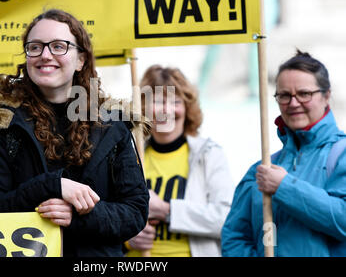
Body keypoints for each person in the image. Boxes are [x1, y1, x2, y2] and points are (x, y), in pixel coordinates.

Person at [0, 9, 149, 257]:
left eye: (58, 46)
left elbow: (135, 213)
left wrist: (78, 217)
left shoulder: (112, 125)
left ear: (81, 59)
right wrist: (51, 186)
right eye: (35, 47)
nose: (45, 55)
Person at [222, 50, 346, 257]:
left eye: (304, 94)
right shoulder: (260, 169)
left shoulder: (341, 155)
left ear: (326, 96)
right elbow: (234, 236)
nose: (293, 103)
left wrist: (284, 187)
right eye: (284, 95)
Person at [125, 65, 235, 257]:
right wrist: (127, 240)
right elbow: (109, 219)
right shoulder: (129, 157)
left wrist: (167, 211)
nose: (166, 110)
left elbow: (227, 219)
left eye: (175, 102)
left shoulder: (208, 155)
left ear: (187, 108)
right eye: (158, 102)